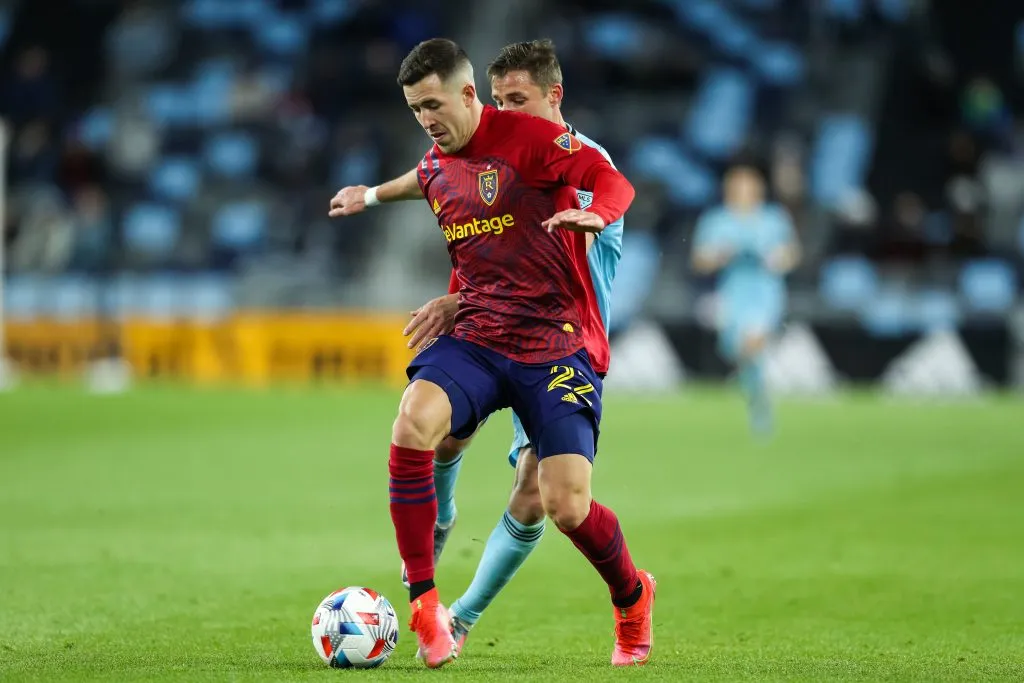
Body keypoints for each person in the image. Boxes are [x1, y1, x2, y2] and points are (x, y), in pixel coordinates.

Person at [329, 38, 653, 669]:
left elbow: (605, 189)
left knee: (556, 502)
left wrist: (596, 215)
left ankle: (629, 594)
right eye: (503, 100)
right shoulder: (454, 153)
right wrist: (369, 197)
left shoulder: (562, 155)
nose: (510, 112)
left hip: (564, 341)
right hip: (486, 331)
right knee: (421, 423)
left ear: (551, 98)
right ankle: (430, 598)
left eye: (518, 100)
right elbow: (438, 187)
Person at [692, 161, 800, 434]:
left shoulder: (773, 218)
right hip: (732, 292)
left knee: (752, 343)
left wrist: (778, 259)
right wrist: (718, 255)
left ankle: (760, 412)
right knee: (737, 350)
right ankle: (757, 394)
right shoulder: (716, 220)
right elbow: (699, 260)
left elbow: (792, 254)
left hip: (765, 292)